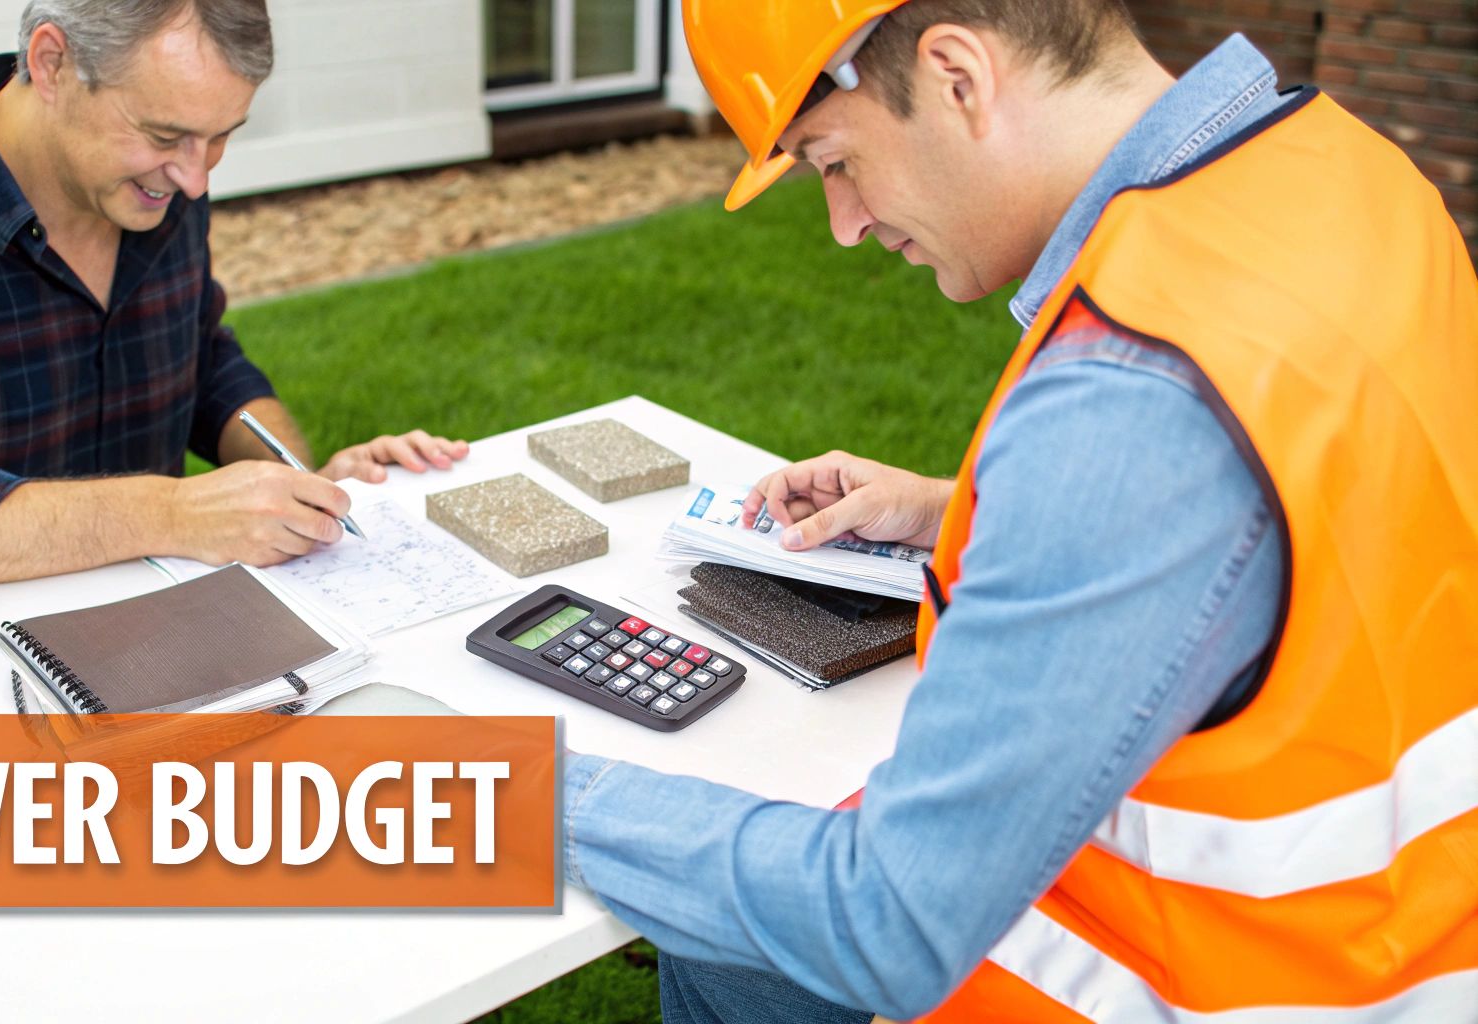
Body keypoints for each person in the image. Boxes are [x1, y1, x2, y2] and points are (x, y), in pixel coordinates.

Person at [563, 2, 1478, 1021]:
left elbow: (885, 922)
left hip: (1204, 982)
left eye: (831, 161)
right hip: (1400, 937)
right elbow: (1322, 493)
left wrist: (522, 801)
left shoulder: (1129, 397)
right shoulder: (1348, 174)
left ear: (957, 76)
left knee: (735, 925)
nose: (844, 223)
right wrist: (962, 509)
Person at [0, 0, 467, 595]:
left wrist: (303, 490)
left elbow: (200, 360)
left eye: (220, 137)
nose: (194, 179)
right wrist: (171, 513)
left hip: (158, 625)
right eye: (166, 135)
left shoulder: (154, 182)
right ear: (51, 64)